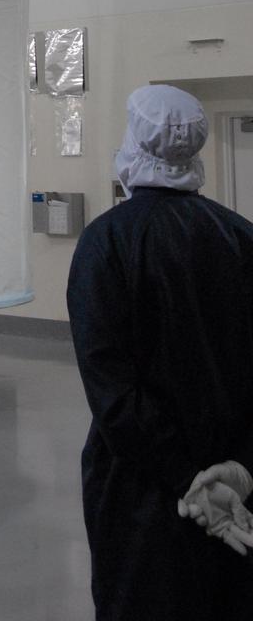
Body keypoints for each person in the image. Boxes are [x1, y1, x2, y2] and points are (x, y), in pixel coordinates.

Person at [67, 84, 253, 620]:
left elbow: (112, 389)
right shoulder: (239, 236)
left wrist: (184, 476)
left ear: (134, 143)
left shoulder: (107, 242)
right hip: (231, 483)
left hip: (140, 489)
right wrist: (239, 468)